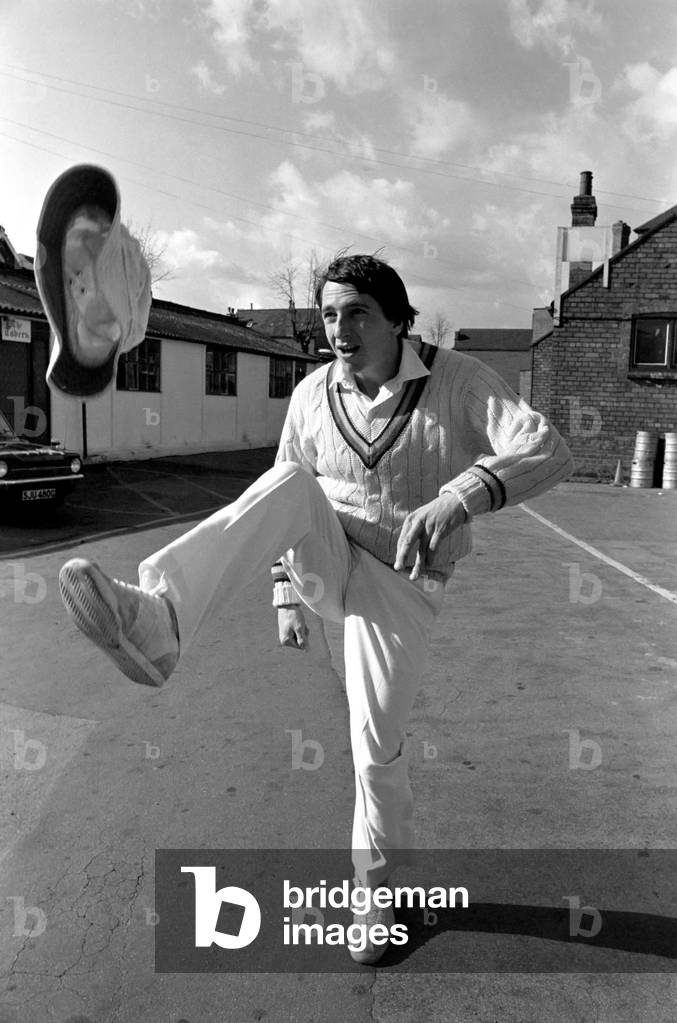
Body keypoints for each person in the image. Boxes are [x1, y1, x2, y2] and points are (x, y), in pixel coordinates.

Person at [58, 251, 574, 965]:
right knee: (292, 483)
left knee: (374, 745)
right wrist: (283, 593)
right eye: (330, 313)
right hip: (326, 556)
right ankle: (159, 616)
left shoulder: (454, 379)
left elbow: (545, 446)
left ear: (397, 318)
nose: (339, 327)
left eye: (357, 311)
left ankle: (379, 885)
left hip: (402, 582)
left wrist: (458, 496)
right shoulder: (308, 394)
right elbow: (272, 499)